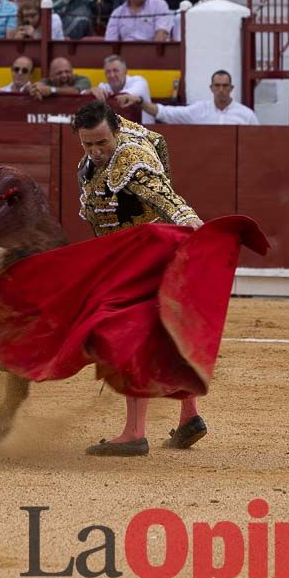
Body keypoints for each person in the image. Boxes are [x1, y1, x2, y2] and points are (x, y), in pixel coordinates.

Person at [69, 100, 204, 456]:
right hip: (129, 257)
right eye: (88, 144)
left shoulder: (131, 159)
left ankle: (134, 433)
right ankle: (189, 416)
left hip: (142, 261)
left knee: (127, 339)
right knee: (163, 338)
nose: (96, 151)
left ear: (115, 131)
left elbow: (165, 196)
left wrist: (188, 220)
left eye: (102, 142)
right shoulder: (101, 151)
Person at [120, 69, 260, 124]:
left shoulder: (246, 115)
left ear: (231, 88)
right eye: (217, 86)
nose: (221, 90)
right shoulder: (199, 110)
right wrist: (140, 101)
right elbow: (166, 113)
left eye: (225, 86)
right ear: (211, 88)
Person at [89, 54, 155, 122]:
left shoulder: (139, 82)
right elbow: (82, 97)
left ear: (125, 71)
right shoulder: (104, 86)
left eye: (115, 71)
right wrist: (90, 91)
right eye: (108, 72)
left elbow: (124, 96)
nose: (112, 75)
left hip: (146, 130)